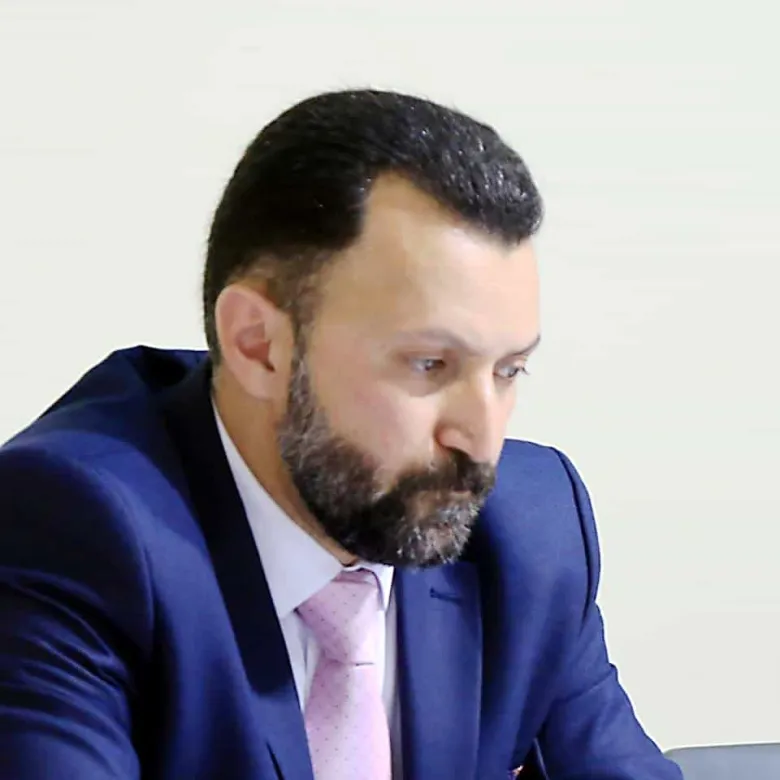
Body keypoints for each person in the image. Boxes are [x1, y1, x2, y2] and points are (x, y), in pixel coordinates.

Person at [0, 89, 682, 779]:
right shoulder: (71, 525)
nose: (481, 441)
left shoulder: (529, 535)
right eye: (429, 364)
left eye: (508, 370)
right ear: (259, 345)